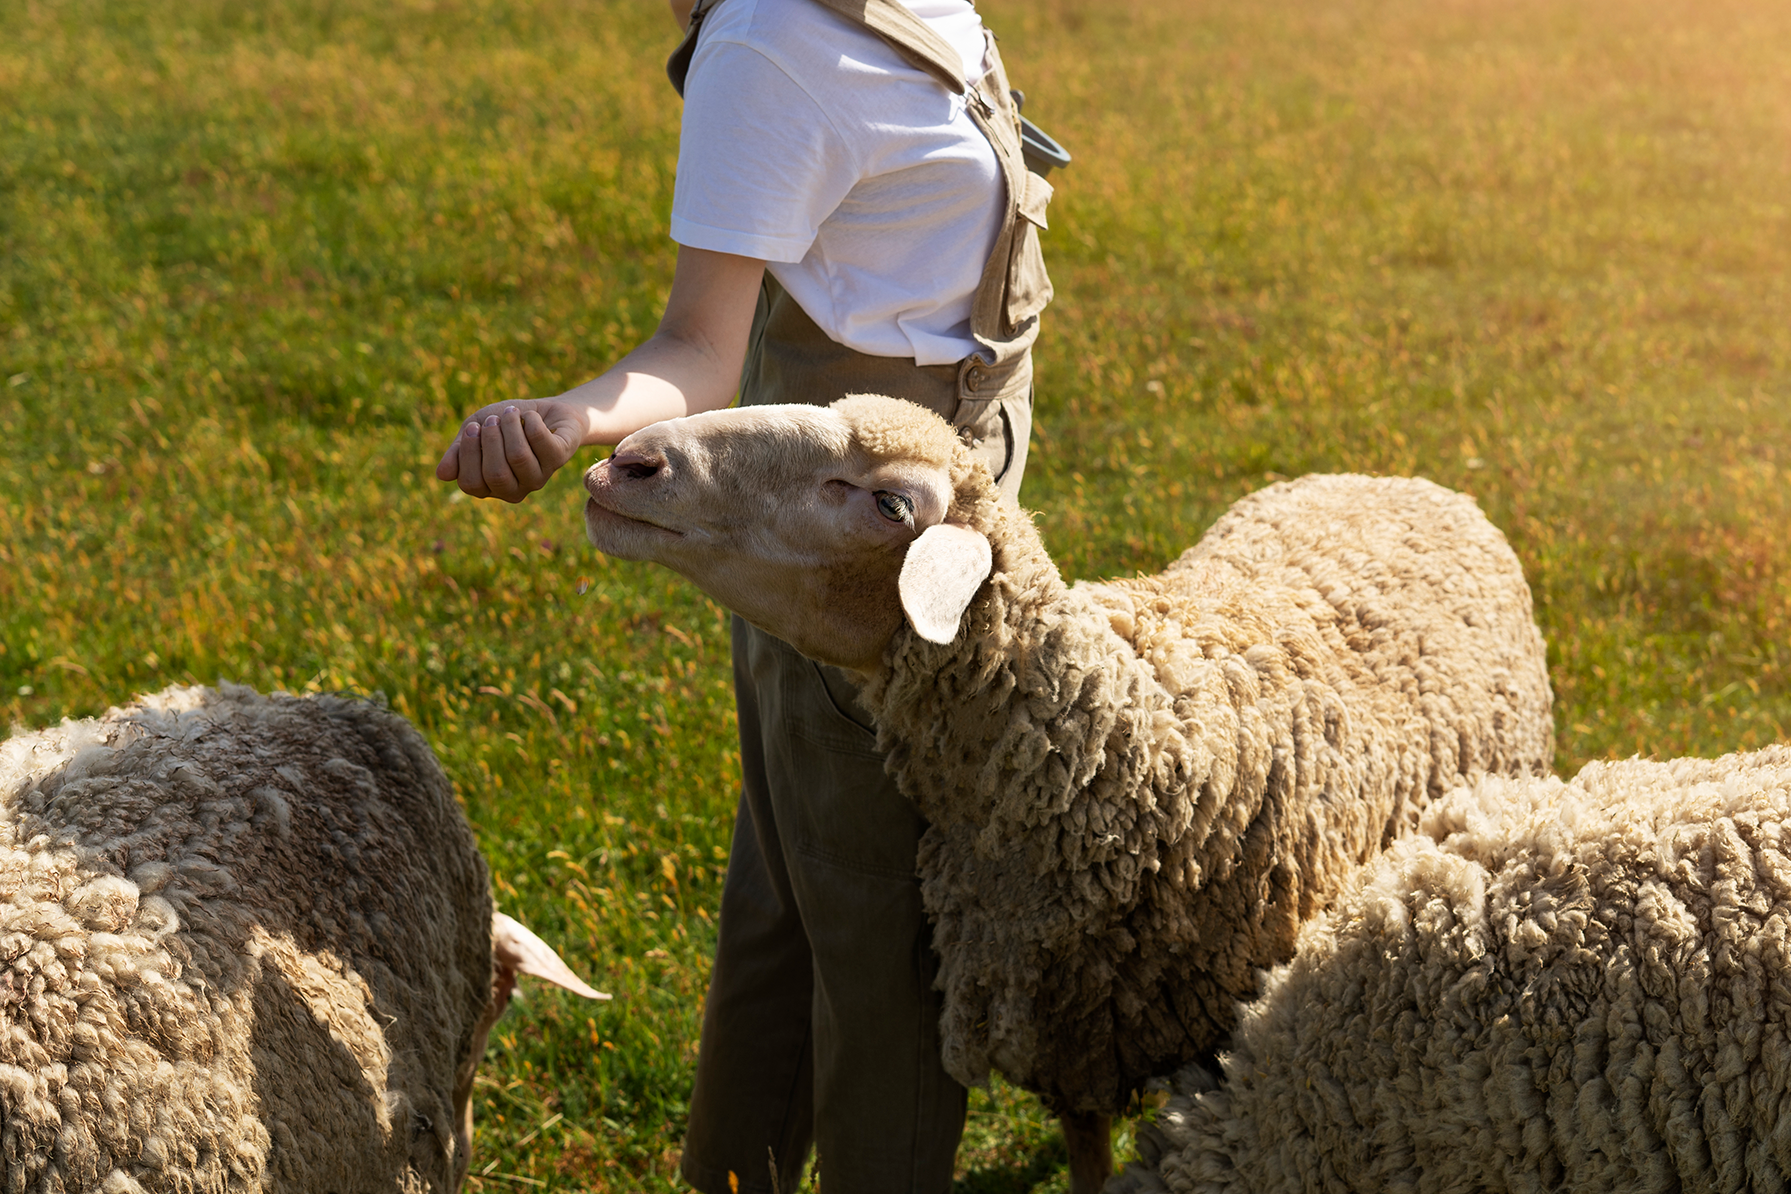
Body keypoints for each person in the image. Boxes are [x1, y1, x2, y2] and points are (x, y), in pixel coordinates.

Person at [435, 0, 1054, 1189]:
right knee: (888, 947)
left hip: (929, 541)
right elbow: (698, 352)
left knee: (789, 903)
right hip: (848, 564)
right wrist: (570, 423)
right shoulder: (768, 49)